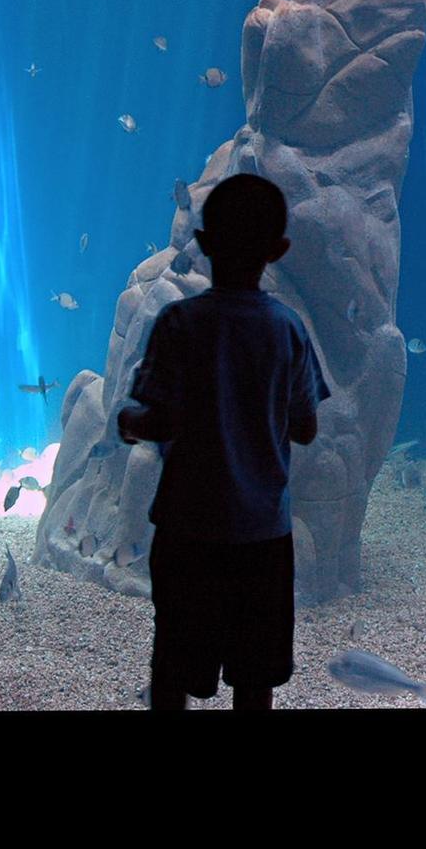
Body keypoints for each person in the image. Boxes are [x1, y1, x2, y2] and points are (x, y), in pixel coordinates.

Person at [118, 174, 330, 711]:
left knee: (171, 670)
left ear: (205, 244)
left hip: (188, 531)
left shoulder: (178, 322)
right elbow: (306, 427)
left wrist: (126, 420)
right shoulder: (288, 329)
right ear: (278, 251)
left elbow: (157, 421)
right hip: (262, 535)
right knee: (254, 680)